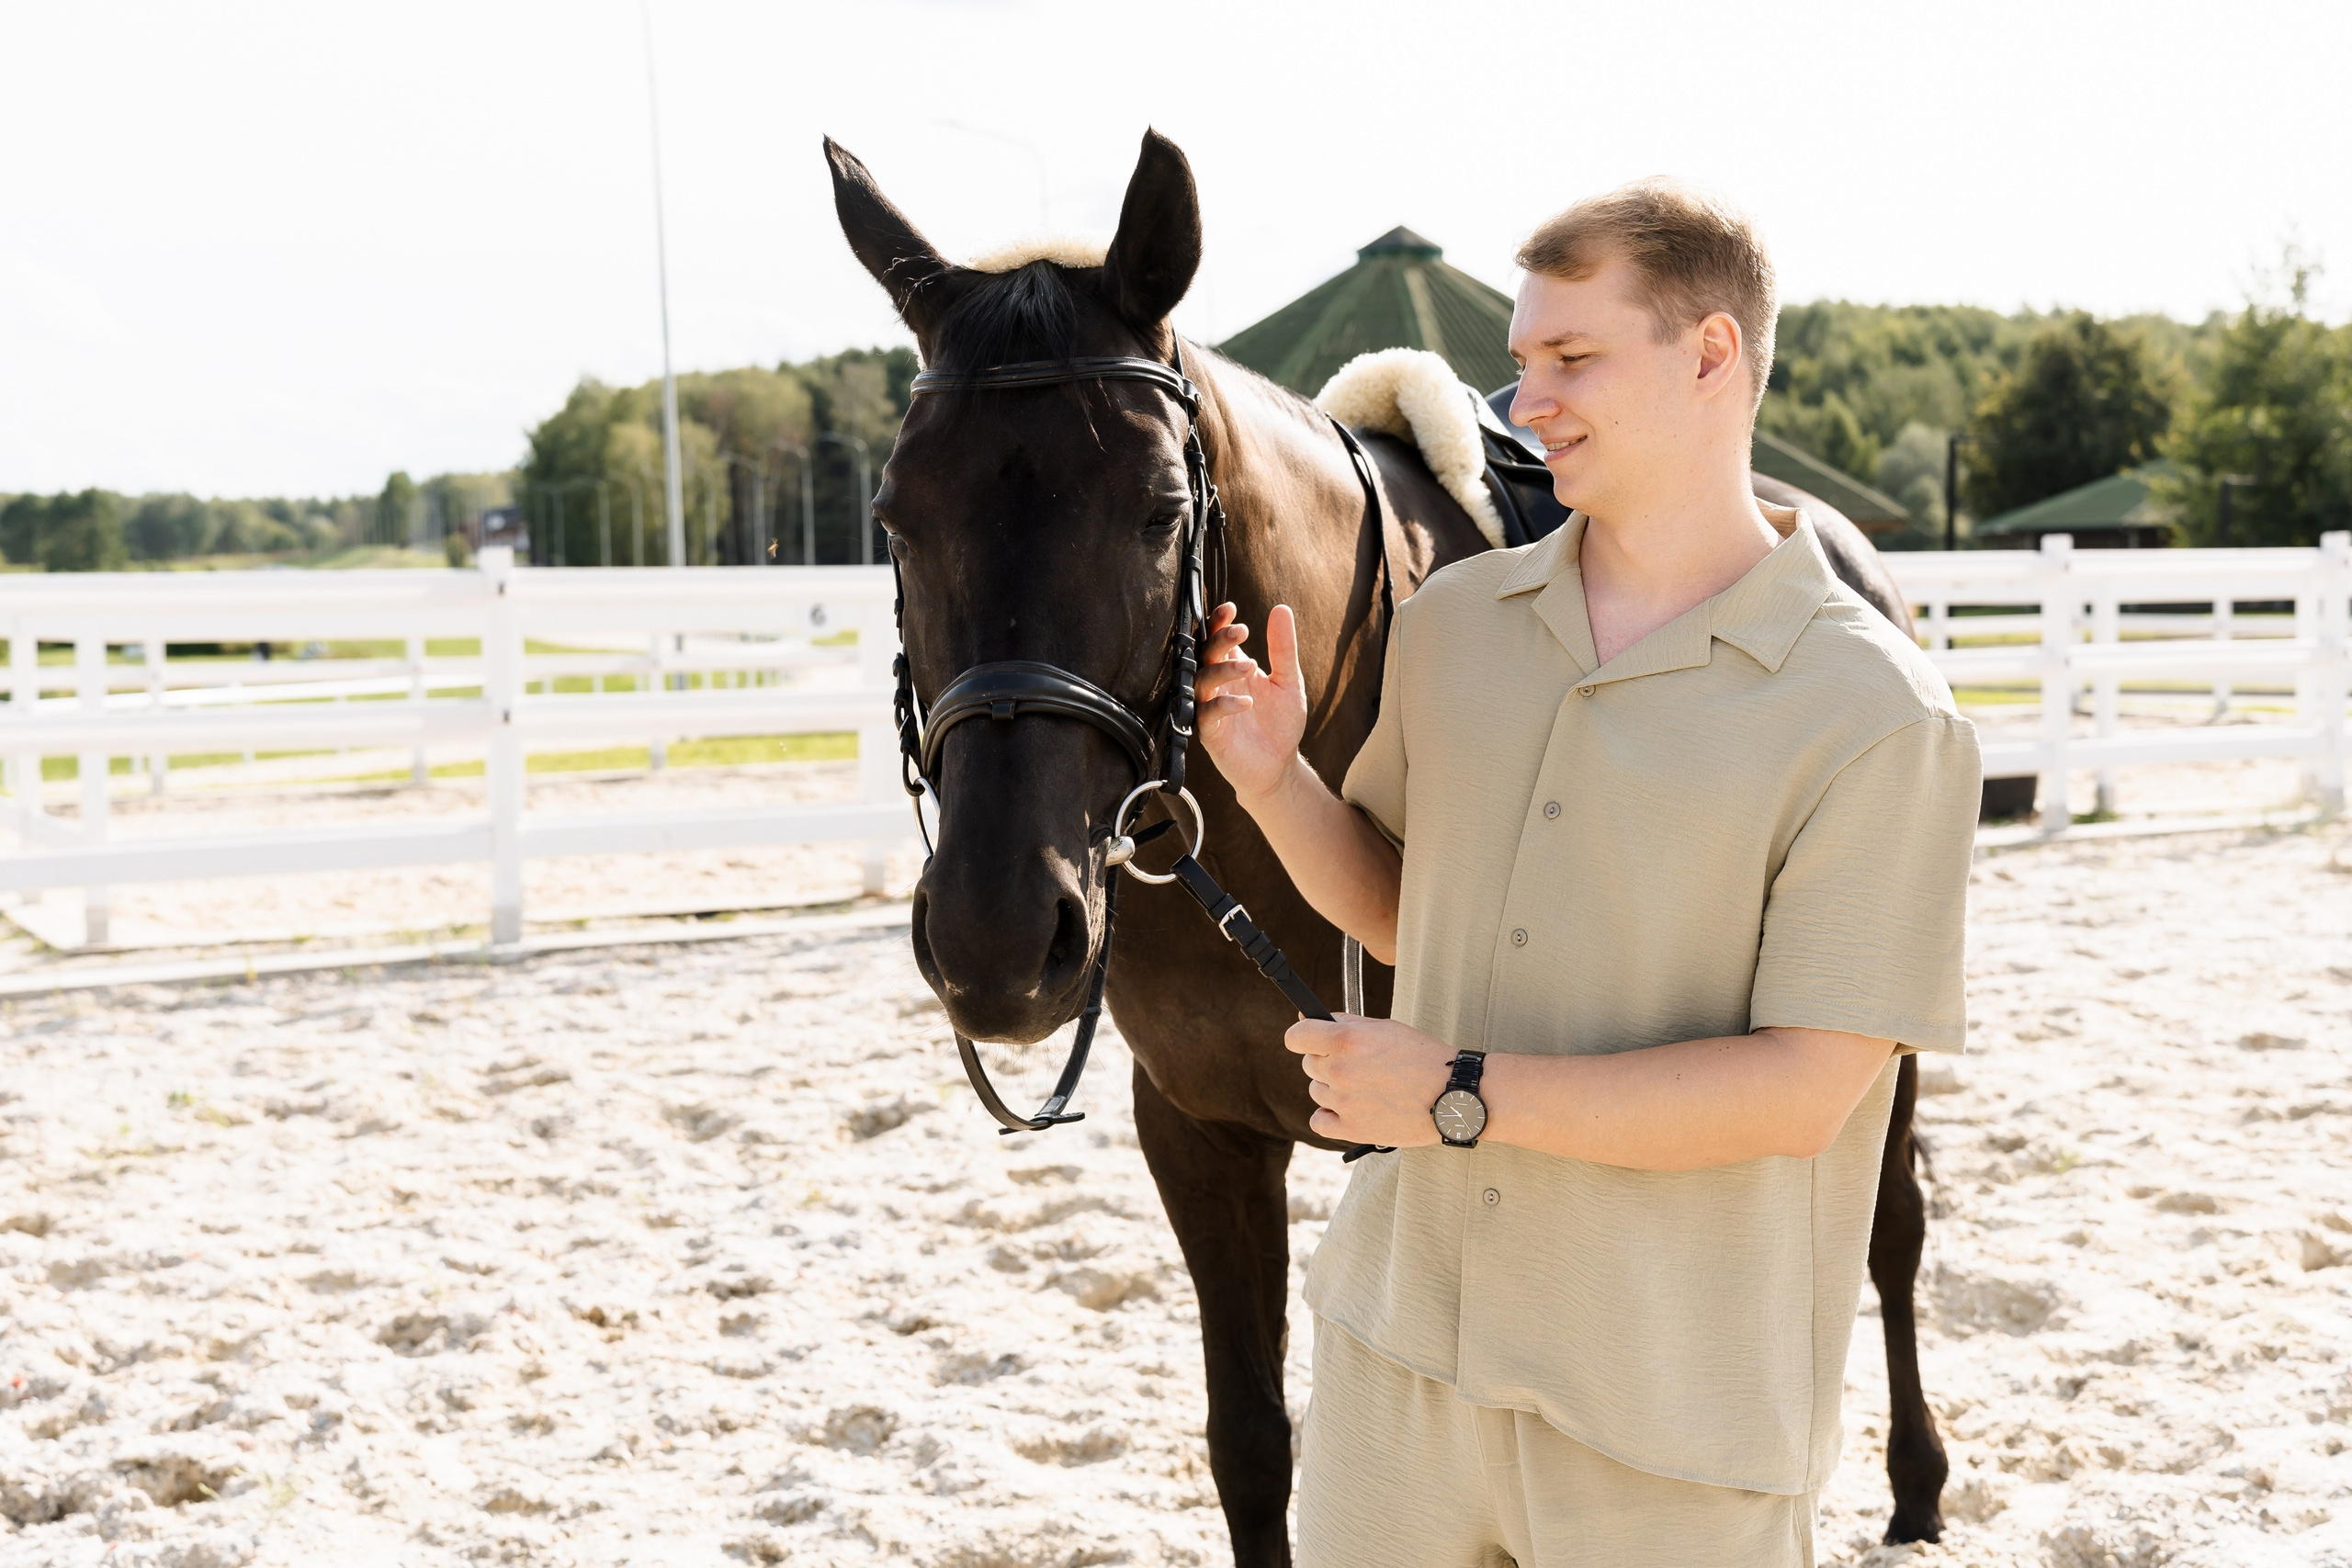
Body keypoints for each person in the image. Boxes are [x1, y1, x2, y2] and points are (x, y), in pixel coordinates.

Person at [1193, 181, 1982, 1566]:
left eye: (1573, 358)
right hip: (1396, 1366)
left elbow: (1802, 1090)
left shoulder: (1876, 714)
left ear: (1711, 354)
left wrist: (1453, 1093)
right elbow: (1405, 908)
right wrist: (1273, 780)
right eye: (1523, 360)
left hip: (1670, 1416)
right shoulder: (1456, 624)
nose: (1528, 401)